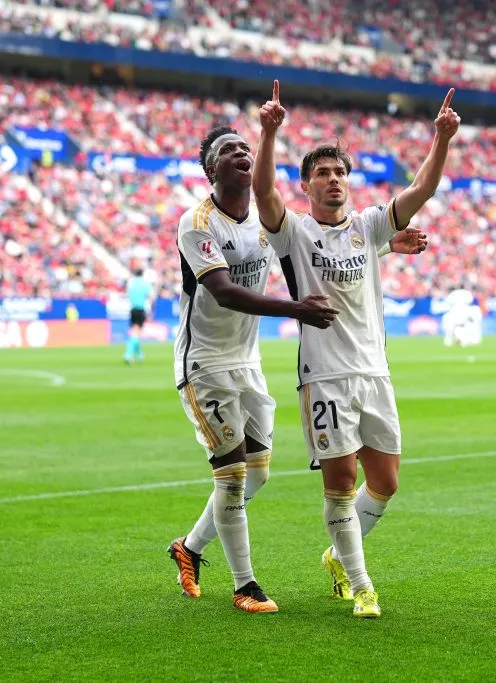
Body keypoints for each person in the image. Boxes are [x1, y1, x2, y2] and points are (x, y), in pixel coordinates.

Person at [167, 125, 427, 613]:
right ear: (211, 169)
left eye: (246, 147)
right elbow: (223, 292)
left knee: (258, 474)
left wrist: (388, 246)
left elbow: (322, 251)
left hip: (248, 362)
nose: (242, 153)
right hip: (205, 363)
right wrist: (296, 310)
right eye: (230, 150)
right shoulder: (197, 222)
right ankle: (246, 586)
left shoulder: (262, 228)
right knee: (232, 477)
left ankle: (190, 546)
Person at [252, 80, 448, 619]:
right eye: (322, 173)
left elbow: (422, 190)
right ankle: (362, 584)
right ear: (307, 185)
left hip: (375, 372)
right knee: (340, 483)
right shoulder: (292, 233)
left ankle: (338, 557)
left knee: (385, 482)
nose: (334, 180)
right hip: (326, 375)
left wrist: (442, 138)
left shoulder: (367, 228)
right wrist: (268, 133)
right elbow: (263, 194)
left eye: (340, 172)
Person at [124, 268, 153, 364]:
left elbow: (127, 294)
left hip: (132, 309)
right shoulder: (145, 283)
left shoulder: (131, 283)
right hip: (141, 309)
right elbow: (151, 296)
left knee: (136, 332)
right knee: (136, 333)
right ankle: (128, 354)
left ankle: (139, 355)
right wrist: (151, 310)